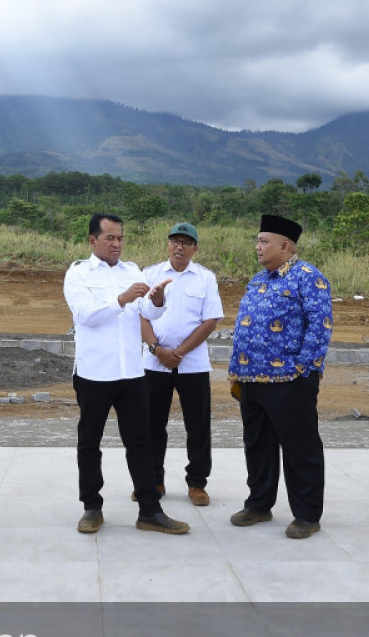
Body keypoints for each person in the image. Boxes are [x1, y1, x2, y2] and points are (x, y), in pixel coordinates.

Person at [64, 213, 191, 536]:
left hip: (131, 373)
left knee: (140, 441)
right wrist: (121, 298)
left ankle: (150, 510)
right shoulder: (78, 274)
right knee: (89, 442)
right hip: (94, 373)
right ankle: (92, 507)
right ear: (93, 240)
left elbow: (144, 312)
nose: (117, 244)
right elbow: (85, 315)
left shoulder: (132, 271)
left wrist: (157, 303)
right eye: (110, 238)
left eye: (120, 238)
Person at [227, 215, 332, 539]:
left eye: (264, 241)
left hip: (289, 382)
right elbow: (244, 325)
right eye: (257, 241)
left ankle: (307, 514)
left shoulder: (307, 277)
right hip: (251, 380)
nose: (257, 247)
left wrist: (303, 370)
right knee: (257, 446)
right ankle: (259, 504)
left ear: (285, 245)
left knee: (300, 449)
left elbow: (320, 326)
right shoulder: (258, 280)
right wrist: (236, 371)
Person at [139, 222, 224, 506]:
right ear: (167, 244)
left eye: (186, 242)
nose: (180, 246)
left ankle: (197, 483)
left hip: (193, 365)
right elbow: (141, 317)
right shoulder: (149, 275)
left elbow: (210, 321)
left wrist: (180, 352)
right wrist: (156, 349)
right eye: (175, 240)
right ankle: (153, 481)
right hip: (154, 363)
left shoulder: (205, 278)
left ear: (195, 248)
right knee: (151, 425)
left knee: (197, 426)